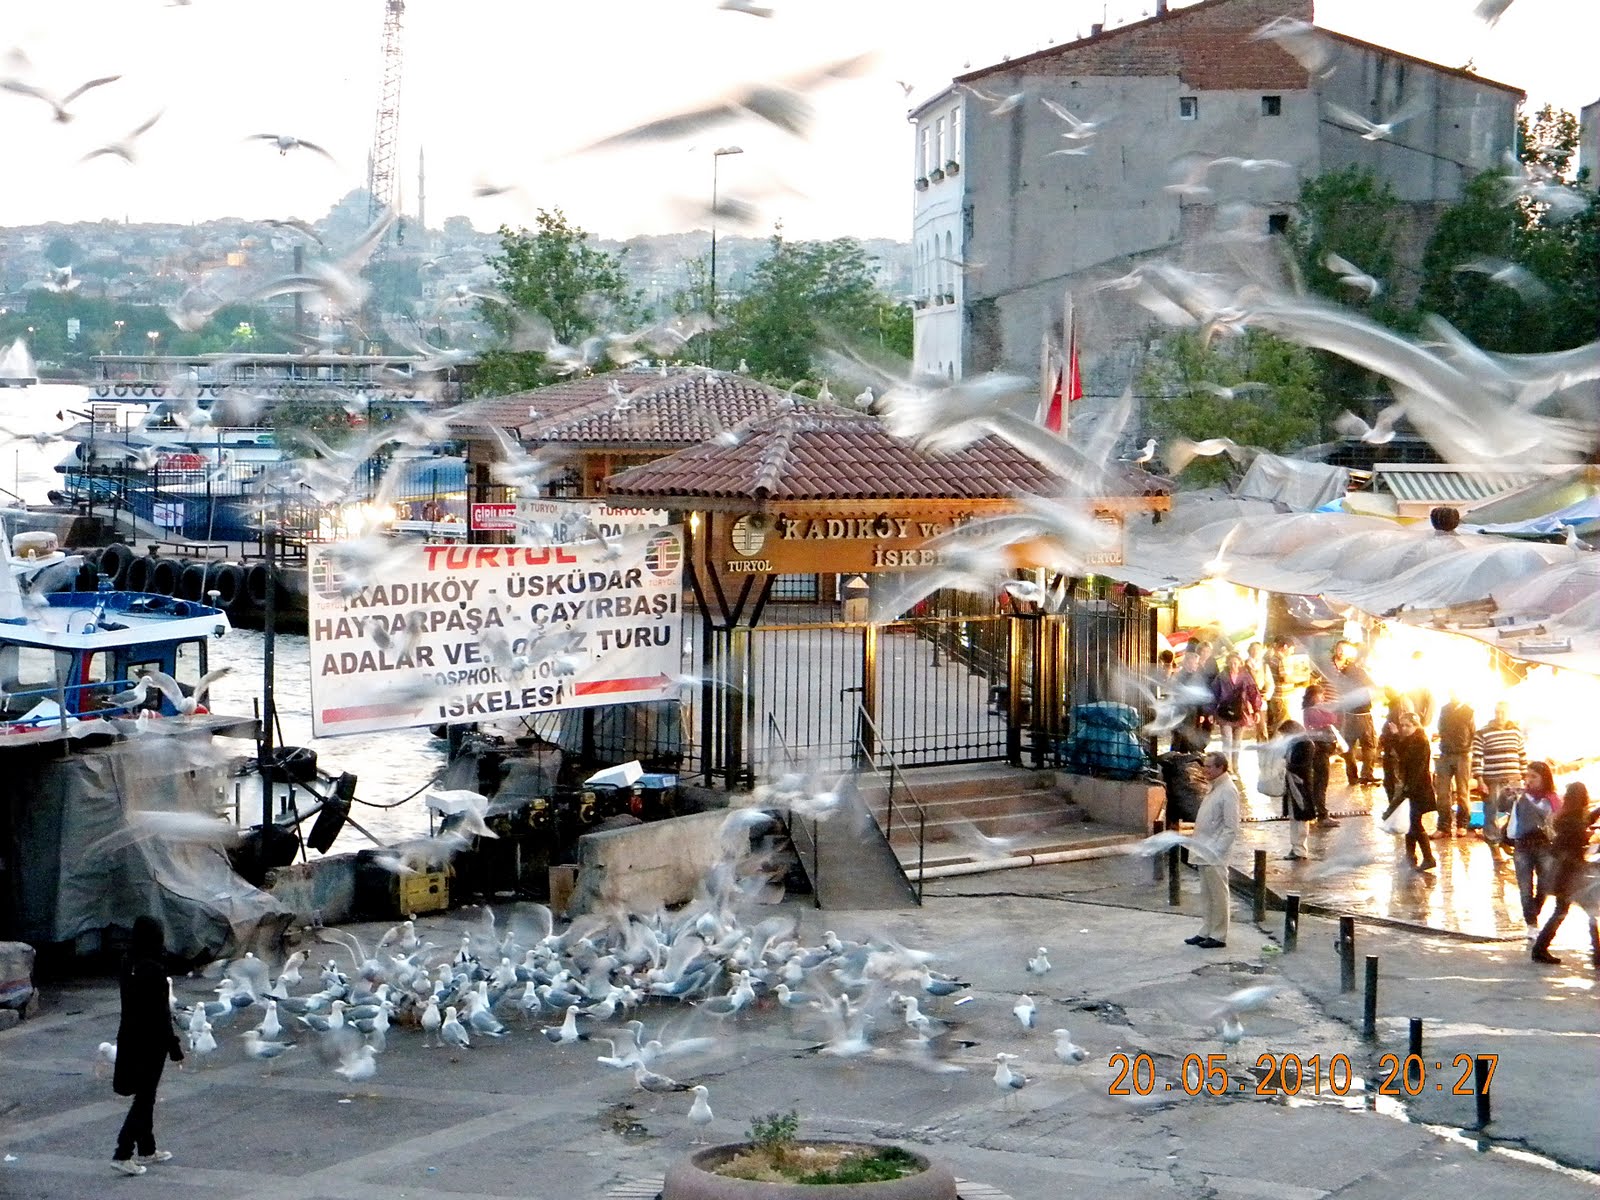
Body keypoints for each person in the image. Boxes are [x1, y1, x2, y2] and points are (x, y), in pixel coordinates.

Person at [111, 915, 183, 1176]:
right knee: (145, 1097)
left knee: (145, 1095)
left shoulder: (127, 963)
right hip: (151, 1041)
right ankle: (123, 1152)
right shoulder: (154, 969)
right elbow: (161, 1013)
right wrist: (173, 1045)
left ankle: (147, 1148)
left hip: (130, 1036)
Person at [1530, 782, 1599, 967]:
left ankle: (1540, 948)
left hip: (1562, 874)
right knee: (1589, 912)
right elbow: (1571, 847)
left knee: (1564, 911)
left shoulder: (1568, 817)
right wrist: (1584, 863)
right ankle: (1597, 954)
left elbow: (1586, 821)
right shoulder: (1574, 822)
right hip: (1570, 876)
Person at [1185, 752, 1240, 950]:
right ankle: (1206, 930)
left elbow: (1231, 827)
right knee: (1207, 895)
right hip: (1204, 849)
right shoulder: (1215, 787)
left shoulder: (1227, 790)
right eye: (1205, 766)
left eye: (1209, 767)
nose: (1205, 770)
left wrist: (1216, 850)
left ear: (1220, 768)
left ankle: (1218, 934)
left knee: (1218, 895)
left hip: (1214, 852)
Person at [1383, 709, 1438, 871]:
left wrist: (1407, 791)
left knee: (1415, 824)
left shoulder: (1419, 740)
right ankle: (1410, 856)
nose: (1404, 729)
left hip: (1418, 789)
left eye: (1408, 726)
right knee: (1410, 823)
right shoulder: (1412, 739)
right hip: (1412, 788)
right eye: (1402, 726)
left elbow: (1405, 757)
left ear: (1415, 726)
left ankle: (1428, 857)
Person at [1507, 761, 1559, 930]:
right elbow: (1501, 806)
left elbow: (1556, 820)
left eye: (1534, 776)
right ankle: (1531, 924)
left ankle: (1534, 910)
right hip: (1522, 846)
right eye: (1527, 776)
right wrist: (1506, 793)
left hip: (1544, 846)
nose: (1529, 780)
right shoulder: (1520, 796)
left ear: (1544, 778)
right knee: (1525, 888)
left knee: (1545, 884)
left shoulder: (1551, 799)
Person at [1473, 701, 1528, 857]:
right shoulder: (1482, 733)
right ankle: (1494, 845)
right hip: (1493, 779)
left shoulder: (1516, 733)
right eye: (1497, 712)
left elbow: (1522, 756)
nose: (1500, 716)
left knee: (1515, 812)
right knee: (1491, 812)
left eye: (1503, 712)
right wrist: (1480, 780)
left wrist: (1525, 777)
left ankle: (1505, 838)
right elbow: (1477, 758)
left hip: (1513, 778)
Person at [1327, 641, 1379, 787]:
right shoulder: (1359, 672)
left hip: (1348, 714)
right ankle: (1366, 774)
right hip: (1363, 714)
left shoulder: (1342, 673)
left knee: (1349, 746)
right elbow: (1373, 688)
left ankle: (1352, 776)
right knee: (1369, 745)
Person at [1211, 653, 1262, 774]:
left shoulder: (1245, 677)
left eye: (1236, 663)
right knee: (1227, 741)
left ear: (1240, 663)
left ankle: (1235, 765)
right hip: (1224, 713)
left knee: (1237, 742)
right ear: (1227, 663)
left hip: (1241, 712)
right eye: (1231, 662)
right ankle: (1228, 767)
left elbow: (1253, 693)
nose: (1233, 665)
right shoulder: (1221, 677)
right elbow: (1214, 695)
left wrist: (1257, 710)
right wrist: (1210, 712)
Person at [1434, 691, 1476, 837]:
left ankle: (1462, 824)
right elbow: (1440, 728)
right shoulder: (1444, 709)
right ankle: (1443, 826)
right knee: (1442, 793)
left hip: (1463, 755)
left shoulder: (1469, 711)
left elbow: (1473, 733)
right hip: (1445, 753)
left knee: (1463, 792)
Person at [1301, 681, 1341, 825]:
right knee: (1320, 782)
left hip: (1319, 749)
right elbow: (1332, 719)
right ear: (1313, 696)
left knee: (1317, 782)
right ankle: (1322, 815)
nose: (1323, 698)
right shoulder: (1312, 711)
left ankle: (1315, 812)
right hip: (1319, 750)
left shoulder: (1309, 710)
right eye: (1320, 695)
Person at [1277, 718, 1315, 860]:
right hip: (1293, 784)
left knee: (1300, 818)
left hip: (1300, 784)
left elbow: (1303, 765)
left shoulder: (1306, 744)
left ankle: (1300, 849)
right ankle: (1296, 847)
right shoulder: (1294, 744)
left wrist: (1286, 766)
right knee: (1295, 817)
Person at [1246, 641, 1275, 744]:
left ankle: (1263, 751)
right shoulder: (1244, 666)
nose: (1255, 652)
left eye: (1257, 649)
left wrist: (1267, 694)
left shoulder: (1264, 666)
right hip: (1247, 701)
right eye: (1253, 649)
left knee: (1262, 728)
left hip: (1260, 700)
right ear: (1249, 651)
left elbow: (1270, 682)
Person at [1263, 638, 1292, 736]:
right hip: (1282, 698)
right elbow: (1286, 678)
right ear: (1285, 647)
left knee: (1277, 722)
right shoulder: (1282, 660)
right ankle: (1276, 747)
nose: (1292, 652)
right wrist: (1300, 680)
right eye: (1292, 649)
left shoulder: (1272, 658)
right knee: (1282, 724)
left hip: (1275, 696)